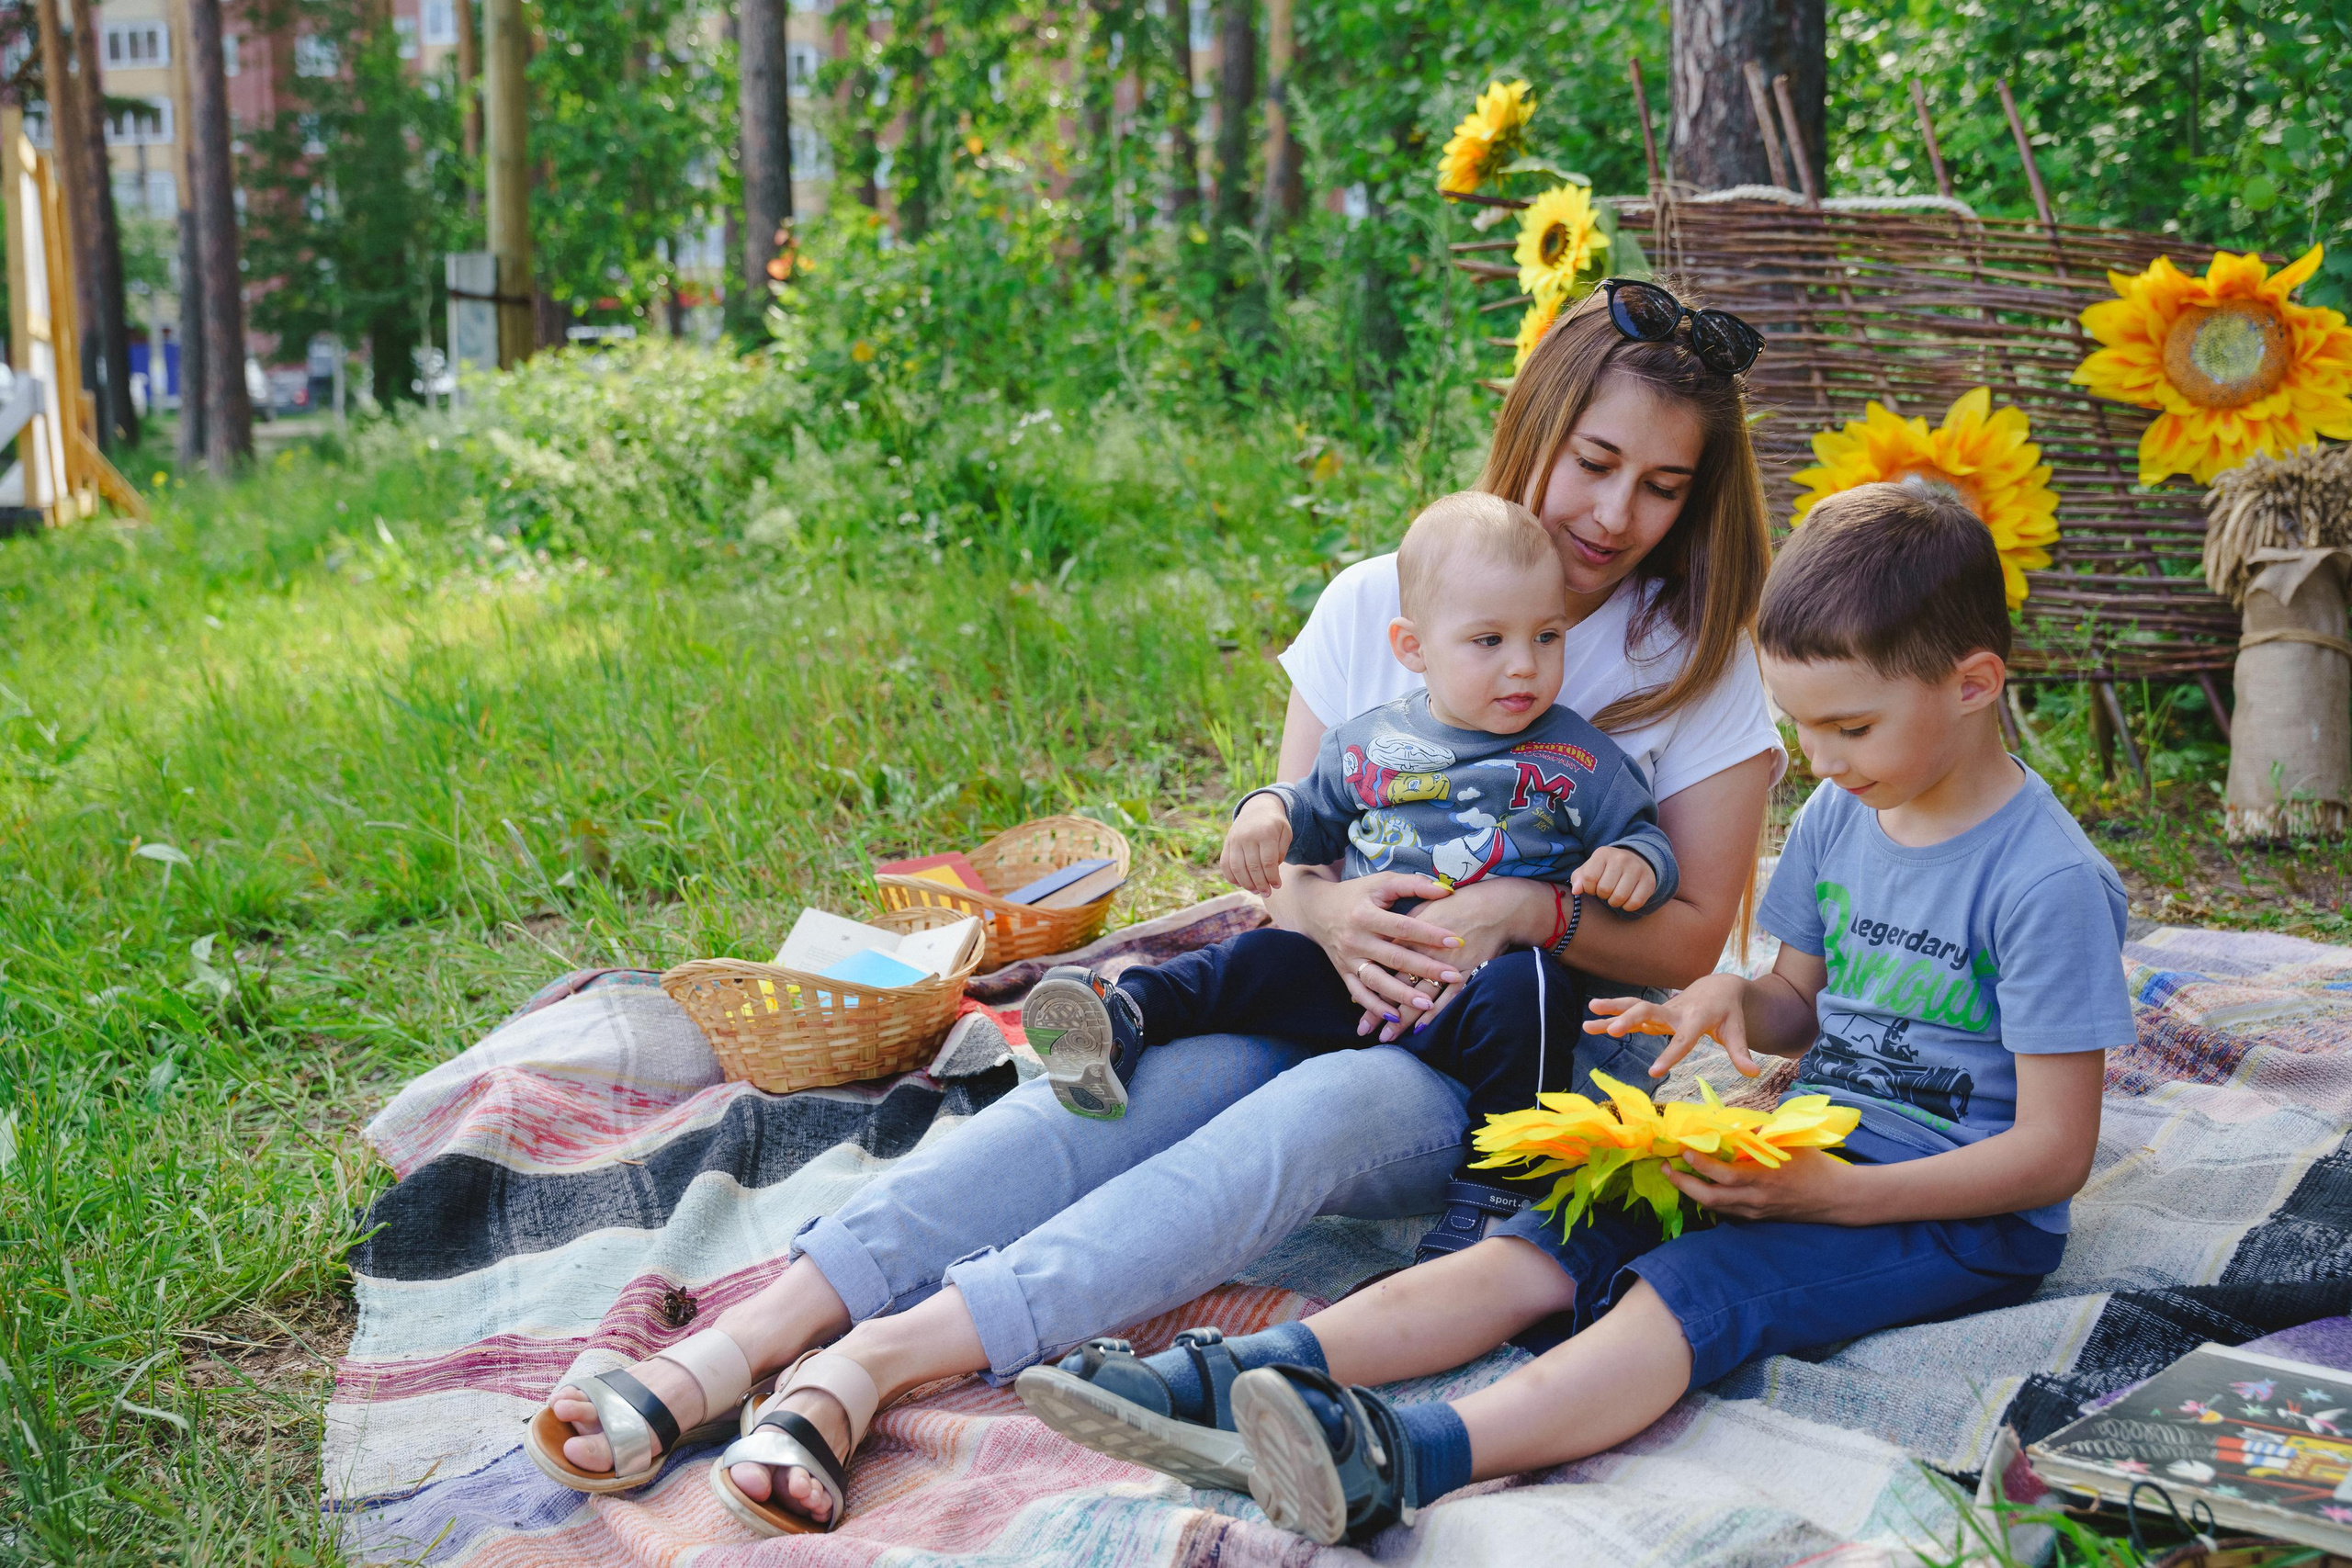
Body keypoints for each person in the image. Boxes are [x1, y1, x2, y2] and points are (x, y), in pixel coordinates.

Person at [517, 278, 1785, 1537]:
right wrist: (1330, 915)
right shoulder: (1380, 599)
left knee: (1309, 1113)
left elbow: (1686, 939)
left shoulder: (1699, 659)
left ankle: (877, 1363)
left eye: (1664, 485)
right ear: (1536, 427)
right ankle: (756, 1333)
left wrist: (1523, 908)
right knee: (1124, 1085)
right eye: (1597, 460)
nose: (1618, 512)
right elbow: (1294, 846)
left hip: (1518, 1052)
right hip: (1336, 977)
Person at [1123, 478, 2132, 1546]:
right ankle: (1223, 1375)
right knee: (1553, 1227)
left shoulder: (2044, 882)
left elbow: (2051, 1156)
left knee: (1689, 1284)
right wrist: (1725, 998)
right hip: (1798, 1144)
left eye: (1850, 728)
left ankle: (1408, 1454)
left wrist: (1829, 1199)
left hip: (1955, 1211)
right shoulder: (1844, 813)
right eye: (1805, 730)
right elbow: (1796, 1001)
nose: (1821, 763)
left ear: (1974, 684)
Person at [1024, 491, 1678, 1233]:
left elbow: (1645, 835)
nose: (1524, 666)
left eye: (1548, 636)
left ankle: (1499, 1181)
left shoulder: (1578, 757)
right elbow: (1312, 816)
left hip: (1475, 1001)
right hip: (1356, 979)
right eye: (1489, 641)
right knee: (1256, 956)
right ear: (1412, 647)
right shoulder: (1368, 742)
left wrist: (1634, 860)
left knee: (1530, 987)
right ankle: (1127, 1012)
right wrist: (1264, 812)